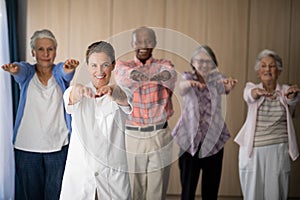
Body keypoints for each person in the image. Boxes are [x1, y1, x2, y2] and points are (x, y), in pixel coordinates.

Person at [1, 29, 79, 200]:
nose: (45, 53)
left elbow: (66, 72)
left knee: (56, 195)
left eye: (50, 49)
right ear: (33, 52)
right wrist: (14, 70)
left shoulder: (59, 72)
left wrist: (69, 68)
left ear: (55, 51)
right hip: (27, 148)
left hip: (58, 147)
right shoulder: (28, 73)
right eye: (41, 49)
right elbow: (20, 70)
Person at [59, 41, 132, 200]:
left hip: (112, 177)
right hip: (81, 176)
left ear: (113, 65)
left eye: (105, 65)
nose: (99, 71)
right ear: (87, 66)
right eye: (94, 65)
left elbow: (124, 98)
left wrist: (112, 90)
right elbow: (71, 96)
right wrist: (78, 90)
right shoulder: (76, 91)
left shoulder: (122, 92)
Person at [114, 26, 177, 200]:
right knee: (135, 188)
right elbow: (123, 76)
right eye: (139, 41)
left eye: (148, 41)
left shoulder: (166, 64)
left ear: (154, 43)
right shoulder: (122, 65)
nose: (143, 45)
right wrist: (150, 76)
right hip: (133, 136)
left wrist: (143, 76)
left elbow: (168, 75)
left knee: (158, 189)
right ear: (132, 44)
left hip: (160, 134)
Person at [171, 45, 237, 200]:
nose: (203, 65)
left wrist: (228, 86)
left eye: (208, 62)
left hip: (213, 141)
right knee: (188, 191)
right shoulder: (187, 77)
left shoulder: (217, 80)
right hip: (189, 141)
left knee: (211, 191)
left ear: (214, 64)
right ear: (193, 62)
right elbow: (181, 88)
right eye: (199, 61)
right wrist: (191, 84)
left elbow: (225, 87)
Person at [234, 49, 300, 200]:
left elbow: (291, 100)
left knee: (275, 195)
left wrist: (293, 96)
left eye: (272, 66)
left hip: (278, 149)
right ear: (258, 72)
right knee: (252, 195)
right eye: (263, 66)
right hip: (254, 150)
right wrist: (257, 92)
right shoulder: (251, 87)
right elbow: (249, 96)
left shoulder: (284, 91)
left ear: (279, 71)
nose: (267, 69)